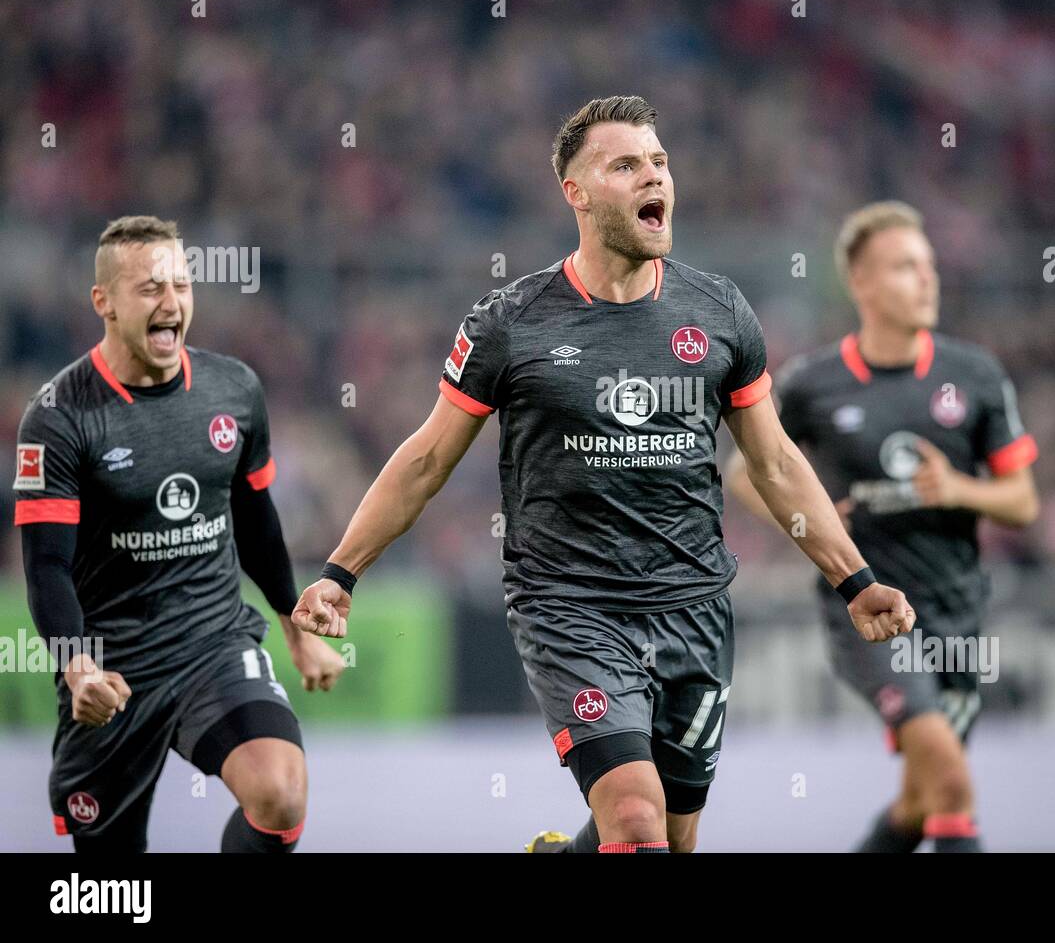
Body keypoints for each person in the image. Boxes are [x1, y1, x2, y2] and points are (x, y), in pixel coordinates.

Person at [291, 97, 914, 854]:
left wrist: (856, 578)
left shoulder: (718, 311)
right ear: (576, 193)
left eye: (658, 161)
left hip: (694, 608)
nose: (654, 176)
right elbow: (425, 459)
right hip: (570, 607)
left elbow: (776, 462)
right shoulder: (510, 322)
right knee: (637, 822)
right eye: (625, 165)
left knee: (670, 840)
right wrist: (339, 573)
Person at [14, 216, 344, 852]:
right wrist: (78, 667)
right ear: (103, 303)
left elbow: (254, 518)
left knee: (281, 794)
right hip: (111, 669)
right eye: (149, 289)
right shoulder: (58, 418)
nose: (171, 303)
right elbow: (47, 567)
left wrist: (294, 631)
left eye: (181, 286)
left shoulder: (234, 389)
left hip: (211, 644)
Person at [727, 201, 1039, 852]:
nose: (926, 280)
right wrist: (801, 518)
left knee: (921, 801)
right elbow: (741, 472)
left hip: (956, 612)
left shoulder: (974, 375)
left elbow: (1023, 502)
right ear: (861, 281)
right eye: (904, 267)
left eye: (928, 266)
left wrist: (958, 488)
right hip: (865, 609)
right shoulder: (813, 382)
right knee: (951, 783)